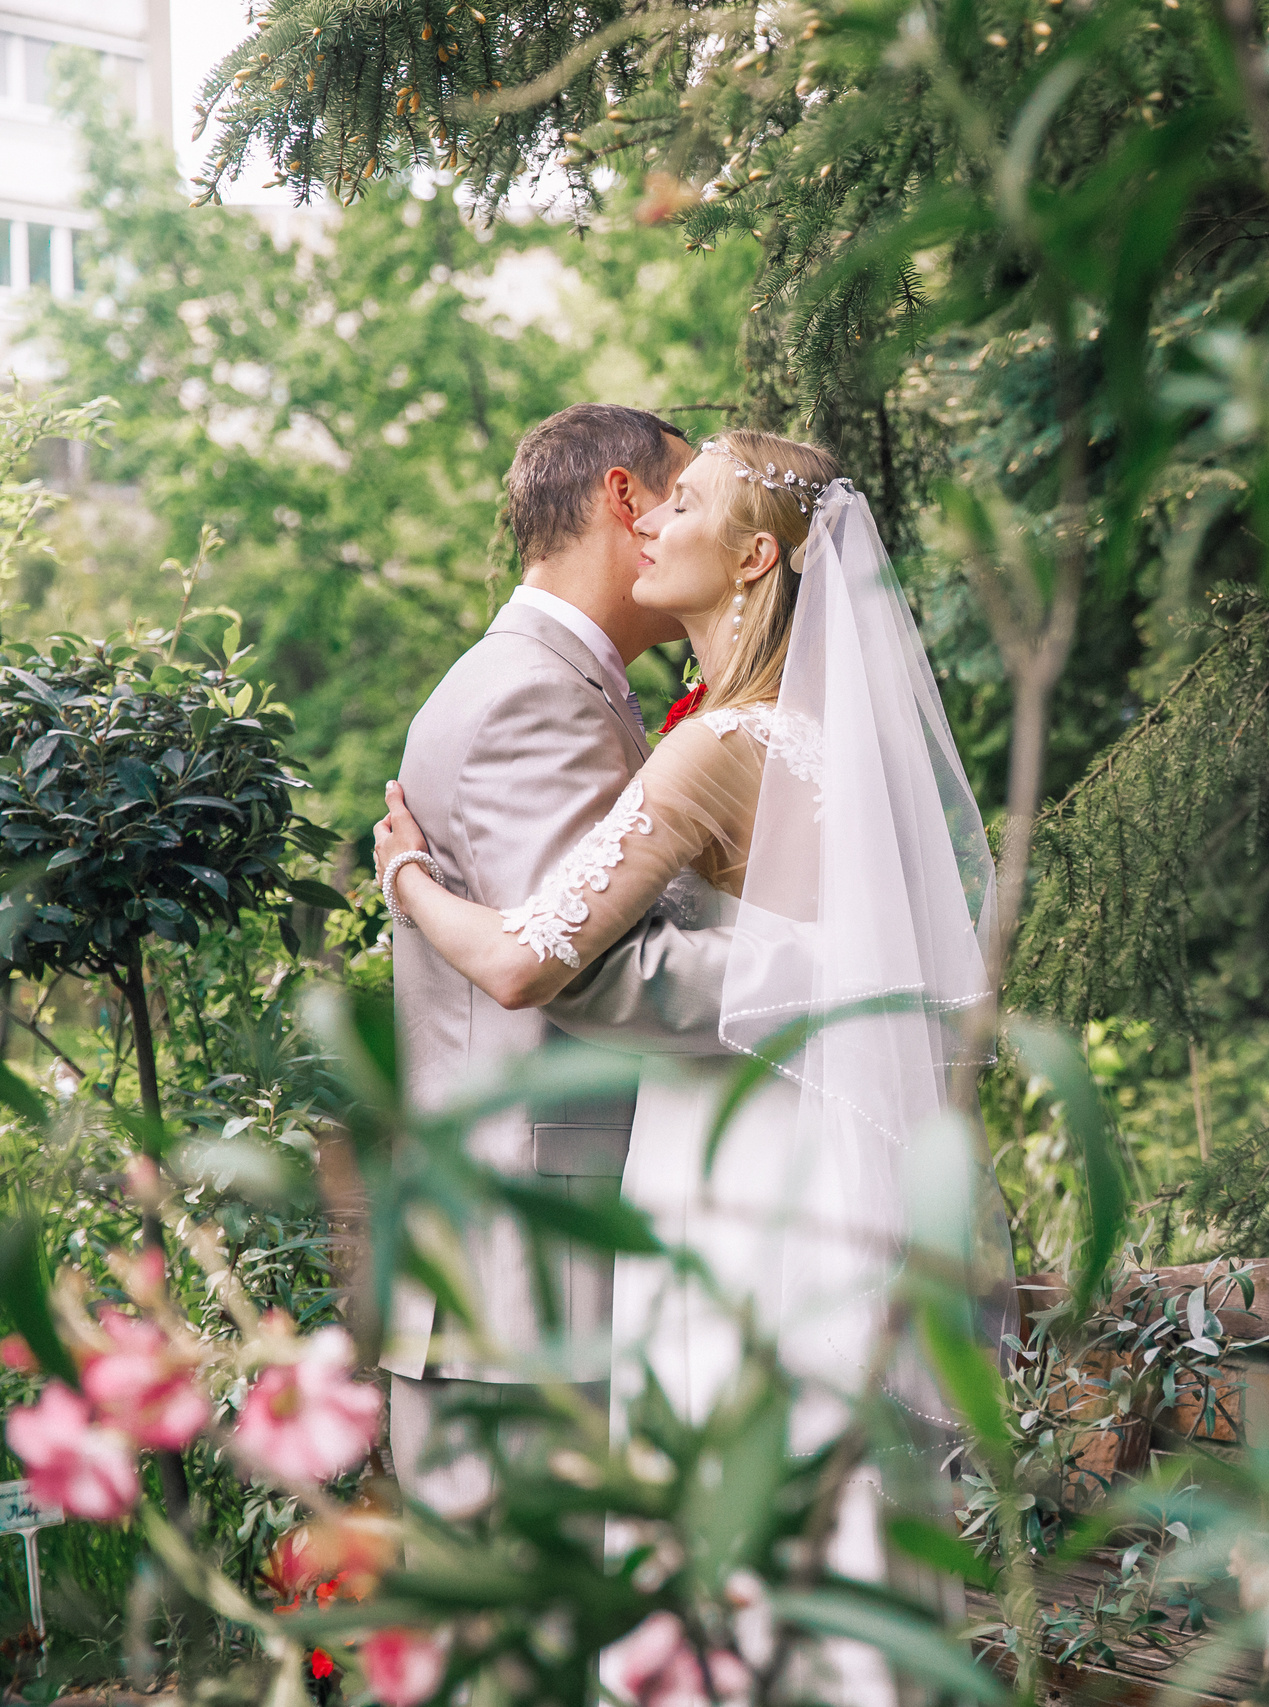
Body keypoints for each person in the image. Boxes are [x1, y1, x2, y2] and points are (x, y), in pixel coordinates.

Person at [375, 431, 995, 1705]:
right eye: (657, 496)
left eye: (690, 503)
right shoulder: (810, 736)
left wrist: (401, 879)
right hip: (807, 1175)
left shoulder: (713, 744)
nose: (659, 523)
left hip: (734, 1183)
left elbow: (533, 965)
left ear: (755, 555)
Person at [381, 403, 741, 1515]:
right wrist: (820, 972)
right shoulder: (534, 695)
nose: (698, 529)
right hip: (533, 1280)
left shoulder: (550, 684)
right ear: (624, 501)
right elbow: (586, 970)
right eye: (683, 498)